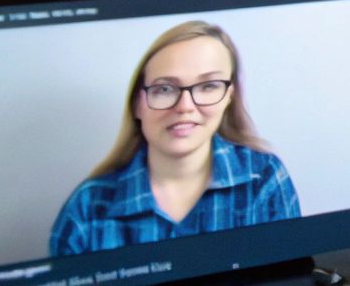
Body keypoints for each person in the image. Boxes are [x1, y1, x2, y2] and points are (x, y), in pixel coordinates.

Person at [50, 20, 300, 255]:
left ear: (228, 96)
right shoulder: (86, 208)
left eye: (208, 86)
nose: (185, 106)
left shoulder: (265, 180)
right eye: (164, 89)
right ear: (138, 103)